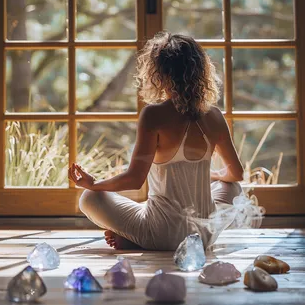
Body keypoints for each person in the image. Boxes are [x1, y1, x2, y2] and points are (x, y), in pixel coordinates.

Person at [68, 31, 264, 251]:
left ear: (158, 74)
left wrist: (94, 184)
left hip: (162, 234)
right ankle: (140, 233)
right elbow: (236, 175)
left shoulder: (154, 115)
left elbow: (134, 179)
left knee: (89, 198)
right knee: (232, 188)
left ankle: (138, 238)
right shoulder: (214, 116)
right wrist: (209, 176)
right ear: (201, 72)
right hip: (204, 235)